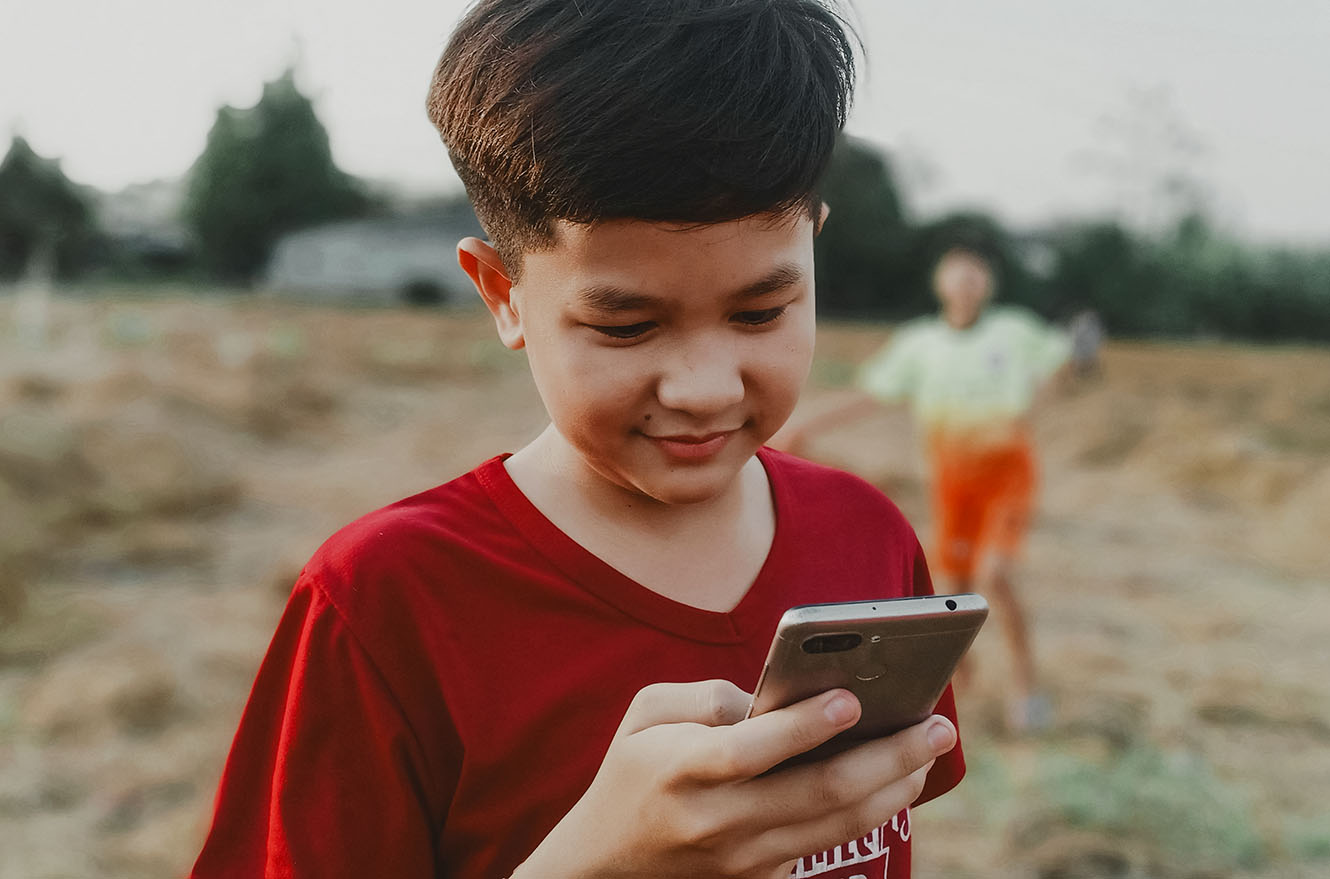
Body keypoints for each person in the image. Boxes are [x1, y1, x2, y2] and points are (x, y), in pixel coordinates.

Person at [190, 2, 967, 877]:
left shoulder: (867, 536)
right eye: (627, 326)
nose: (705, 387)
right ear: (503, 294)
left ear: (813, 248)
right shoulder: (385, 604)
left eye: (761, 312)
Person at [780, 246, 1070, 733]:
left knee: (995, 574)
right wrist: (805, 425)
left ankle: (1026, 687)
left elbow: (1060, 360)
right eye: (957, 275)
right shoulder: (920, 344)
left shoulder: (1013, 330)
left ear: (987, 284)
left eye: (975, 274)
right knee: (954, 591)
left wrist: (1034, 405)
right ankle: (962, 684)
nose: (966, 284)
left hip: (1008, 478)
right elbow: (870, 393)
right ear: (941, 283)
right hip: (952, 485)